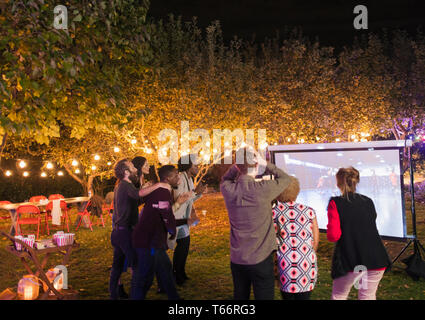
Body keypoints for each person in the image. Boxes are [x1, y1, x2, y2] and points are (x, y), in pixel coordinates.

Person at [220, 147, 291, 300]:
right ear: (257, 165)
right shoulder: (263, 189)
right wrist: (265, 163)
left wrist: (239, 164)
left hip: (238, 258)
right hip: (261, 257)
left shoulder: (228, 189)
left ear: (237, 167)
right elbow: (286, 179)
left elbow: (225, 179)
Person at [109, 159, 171, 300]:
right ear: (126, 172)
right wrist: (159, 185)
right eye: (131, 167)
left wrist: (146, 189)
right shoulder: (125, 185)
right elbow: (138, 195)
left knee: (117, 267)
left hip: (118, 232)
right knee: (136, 267)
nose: (135, 169)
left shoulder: (123, 186)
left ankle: (114, 295)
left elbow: (137, 200)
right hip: (125, 232)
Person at [327, 167, 391, 300]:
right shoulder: (368, 201)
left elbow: (333, 236)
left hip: (351, 260)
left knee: (339, 295)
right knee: (367, 295)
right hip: (375, 258)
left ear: (338, 182)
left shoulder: (335, 203)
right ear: (356, 181)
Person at [132, 165, 182, 300]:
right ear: (167, 178)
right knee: (145, 277)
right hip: (148, 240)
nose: (179, 177)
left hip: (153, 239)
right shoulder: (162, 192)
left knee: (165, 268)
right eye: (176, 175)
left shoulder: (162, 190)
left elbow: (164, 213)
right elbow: (165, 213)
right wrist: (172, 229)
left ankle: (174, 298)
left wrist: (175, 225)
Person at [273, 176, 319, 300]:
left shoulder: (274, 212)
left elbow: (271, 239)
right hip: (306, 262)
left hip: (285, 264)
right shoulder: (309, 211)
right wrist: (309, 253)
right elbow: (315, 238)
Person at [172, 154, 207, 286]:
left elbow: (190, 199)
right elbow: (179, 198)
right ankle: (176, 274)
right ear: (188, 165)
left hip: (184, 218)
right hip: (176, 217)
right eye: (195, 164)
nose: (197, 167)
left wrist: (199, 193)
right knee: (182, 246)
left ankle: (180, 272)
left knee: (184, 246)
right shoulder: (180, 178)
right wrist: (194, 192)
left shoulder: (189, 179)